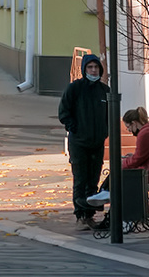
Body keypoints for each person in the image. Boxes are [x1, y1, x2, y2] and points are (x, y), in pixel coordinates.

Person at [86, 107, 149, 223]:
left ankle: (108, 196)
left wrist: (122, 163)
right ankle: (105, 192)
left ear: (134, 123)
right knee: (124, 168)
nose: (129, 131)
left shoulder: (145, 133)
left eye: (128, 127)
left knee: (122, 171)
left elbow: (137, 160)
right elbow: (145, 155)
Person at [57, 53, 109, 229]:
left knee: (93, 180)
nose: (93, 70)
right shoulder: (75, 89)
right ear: (84, 69)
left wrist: (104, 132)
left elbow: (109, 115)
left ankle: (89, 215)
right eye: (90, 67)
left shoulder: (104, 91)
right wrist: (74, 128)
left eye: (96, 67)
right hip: (79, 143)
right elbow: (64, 112)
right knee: (80, 180)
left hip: (97, 143)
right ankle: (80, 215)